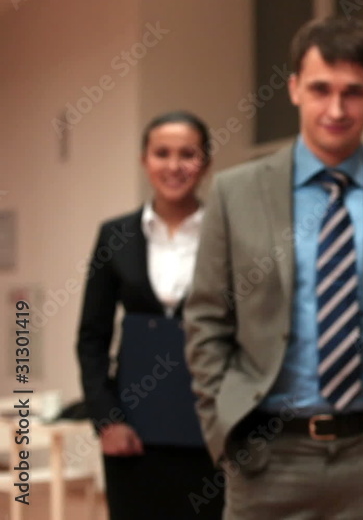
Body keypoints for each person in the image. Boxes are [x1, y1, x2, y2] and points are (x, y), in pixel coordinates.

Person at [183, 16, 363, 519]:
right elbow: (206, 318)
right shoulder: (234, 193)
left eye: (353, 92)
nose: (336, 108)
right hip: (266, 457)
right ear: (293, 90)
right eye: (320, 89)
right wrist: (222, 422)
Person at [76, 111, 223, 519]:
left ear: (206, 163)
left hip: (211, 432)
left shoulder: (227, 234)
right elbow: (92, 338)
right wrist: (107, 420)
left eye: (187, 154)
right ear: (145, 160)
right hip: (134, 434)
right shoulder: (115, 236)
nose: (174, 166)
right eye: (162, 153)